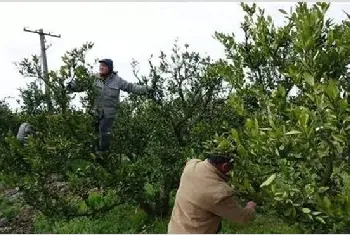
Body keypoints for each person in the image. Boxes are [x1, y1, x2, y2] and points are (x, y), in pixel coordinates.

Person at [17, 58, 154, 153]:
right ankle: (95, 155)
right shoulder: (93, 79)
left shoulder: (117, 80)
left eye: (104, 66)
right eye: (100, 66)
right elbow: (81, 85)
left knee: (104, 132)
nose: (101, 68)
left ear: (110, 68)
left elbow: (130, 87)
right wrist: (70, 86)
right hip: (94, 113)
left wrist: (147, 89)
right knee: (92, 135)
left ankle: (104, 154)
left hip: (110, 113)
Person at [168, 154, 257, 234]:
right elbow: (241, 217)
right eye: (231, 167)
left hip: (174, 229)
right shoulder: (219, 193)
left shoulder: (192, 165)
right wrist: (250, 207)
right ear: (225, 166)